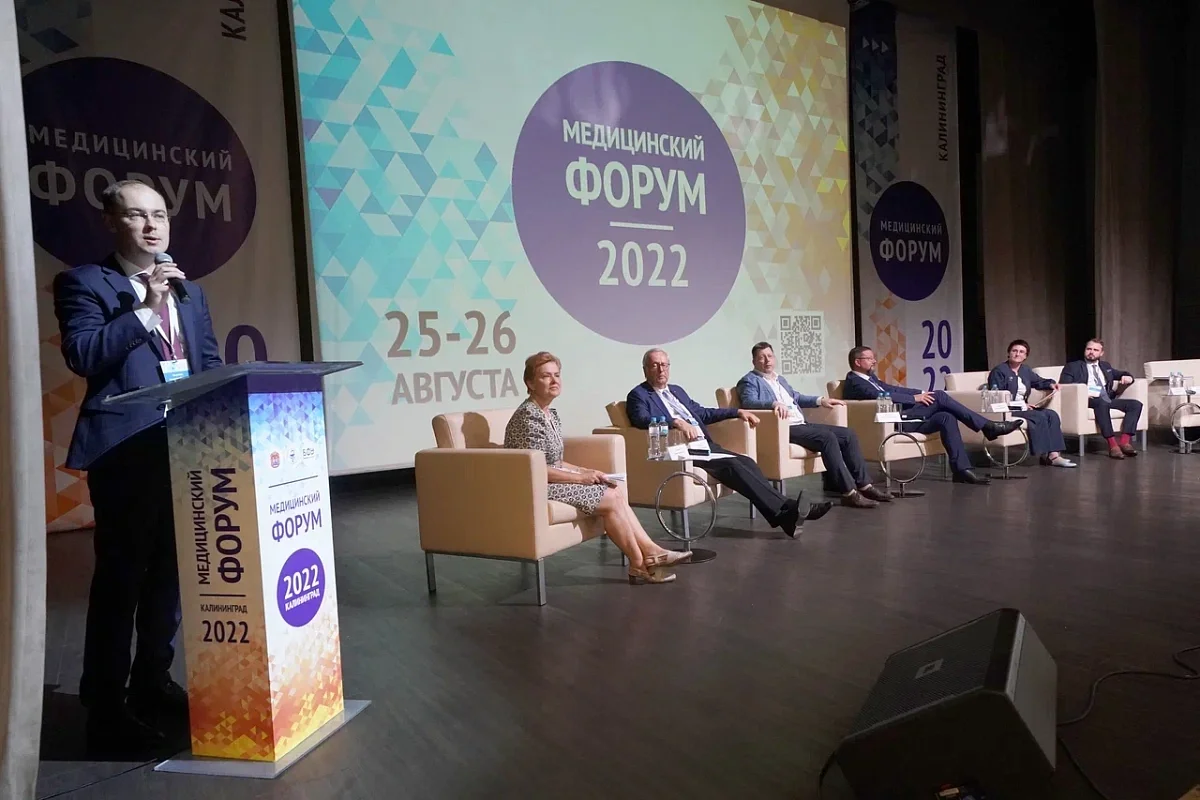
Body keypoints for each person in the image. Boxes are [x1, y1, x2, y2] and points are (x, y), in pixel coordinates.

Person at [53, 180, 223, 755]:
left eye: (160, 215)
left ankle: (152, 679)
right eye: (136, 215)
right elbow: (83, 354)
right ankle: (104, 706)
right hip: (126, 450)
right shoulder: (84, 282)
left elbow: (207, 364)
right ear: (111, 222)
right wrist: (147, 308)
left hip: (184, 445)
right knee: (121, 579)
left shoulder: (191, 291)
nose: (152, 226)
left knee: (169, 574)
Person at [505, 352, 690, 584]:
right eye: (546, 376)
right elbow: (534, 469)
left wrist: (586, 471)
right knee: (610, 498)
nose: (554, 381)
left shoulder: (550, 414)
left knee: (613, 490)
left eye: (557, 375)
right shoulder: (528, 417)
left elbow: (554, 461)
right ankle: (644, 559)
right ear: (530, 383)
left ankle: (643, 560)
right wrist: (581, 479)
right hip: (535, 487)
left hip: (549, 479)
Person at [626, 348, 832, 538]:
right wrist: (675, 422)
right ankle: (788, 510)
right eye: (655, 365)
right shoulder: (639, 395)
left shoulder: (676, 391)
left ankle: (785, 515)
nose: (661, 369)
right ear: (645, 369)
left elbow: (703, 413)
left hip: (703, 446)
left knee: (746, 462)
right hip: (681, 451)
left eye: (664, 364)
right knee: (732, 465)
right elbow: (641, 419)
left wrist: (737, 411)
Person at [736, 342, 890, 508]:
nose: (767, 360)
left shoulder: (779, 379)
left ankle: (865, 485)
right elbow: (749, 402)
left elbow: (796, 397)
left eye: (770, 356)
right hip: (783, 428)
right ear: (754, 361)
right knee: (827, 438)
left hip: (800, 423)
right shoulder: (749, 381)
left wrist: (821, 400)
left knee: (848, 434)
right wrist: (773, 404)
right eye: (762, 357)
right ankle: (849, 493)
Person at [842, 346, 1022, 485]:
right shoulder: (855, 382)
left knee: (946, 417)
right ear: (858, 362)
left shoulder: (870, 378)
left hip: (905, 417)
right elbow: (878, 395)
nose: (874, 361)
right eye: (870, 358)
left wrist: (921, 392)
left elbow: (892, 389)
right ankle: (988, 426)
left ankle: (962, 470)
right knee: (940, 396)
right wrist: (914, 399)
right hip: (891, 421)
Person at [986, 340, 1076, 468]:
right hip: (1008, 409)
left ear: (1025, 356)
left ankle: (1054, 455)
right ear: (1009, 353)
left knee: (1052, 415)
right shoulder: (999, 371)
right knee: (1039, 416)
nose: (1017, 354)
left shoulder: (1025, 370)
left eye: (1021, 352)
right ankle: (1044, 454)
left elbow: (1038, 381)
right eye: (1014, 351)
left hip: (1023, 407)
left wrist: (1051, 384)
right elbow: (997, 397)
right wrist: (1021, 405)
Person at [1058, 338, 1142, 459]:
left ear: (1101, 353)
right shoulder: (1073, 366)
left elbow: (1122, 374)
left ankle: (1124, 442)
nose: (1091, 352)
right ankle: (1112, 445)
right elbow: (1065, 386)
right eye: (1089, 349)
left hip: (1106, 398)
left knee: (1135, 404)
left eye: (1095, 350)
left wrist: (1128, 377)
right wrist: (1083, 394)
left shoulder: (1105, 366)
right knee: (1101, 403)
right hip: (1087, 399)